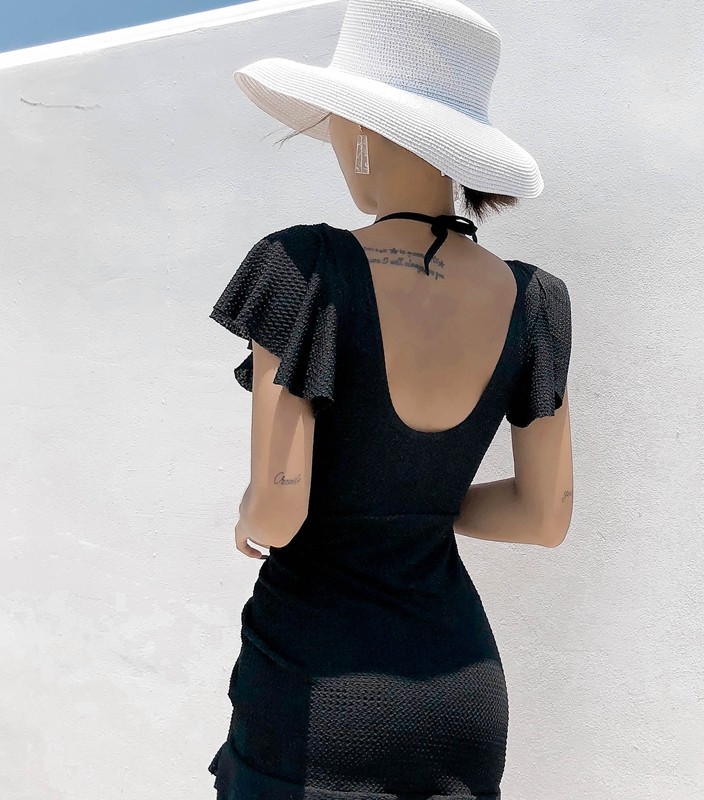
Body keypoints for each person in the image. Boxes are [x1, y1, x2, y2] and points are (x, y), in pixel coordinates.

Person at [207, 0, 573, 797]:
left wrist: (248, 513)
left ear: (363, 134)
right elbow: (543, 517)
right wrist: (418, 504)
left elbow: (278, 511)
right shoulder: (536, 300)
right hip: (462, 691)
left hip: (317, 696)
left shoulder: (303, 268)